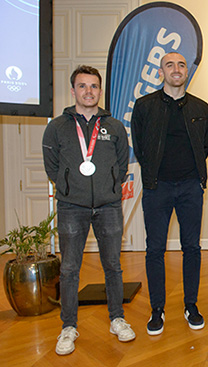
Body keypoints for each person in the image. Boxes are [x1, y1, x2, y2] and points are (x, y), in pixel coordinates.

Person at [42, 65, 134, 355]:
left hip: (108, 206)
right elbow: (51, 165)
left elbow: (121, 164)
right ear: (73, 91)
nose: (89, 91)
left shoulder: (115, 126)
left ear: (100, 90)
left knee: (114, 266)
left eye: (94, 86)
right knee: (69, 269)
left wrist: (109, 186)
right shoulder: (57, 126)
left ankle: (117, 318)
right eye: (83, 86)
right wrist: (69, 186)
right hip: (71, 206)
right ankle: (68, 326)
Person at [131, 52, 208, 335]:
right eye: (170, 65)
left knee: (192, 248)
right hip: (157, 187)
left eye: (181, 65)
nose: (176, 69)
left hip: (190, 186)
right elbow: (140, 148)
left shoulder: (201, 107)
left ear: (186, 72)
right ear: (160, 72)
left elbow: (204, 147)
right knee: (155, 249)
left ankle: (191, 305)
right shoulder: (144, 106)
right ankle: (157, 310)